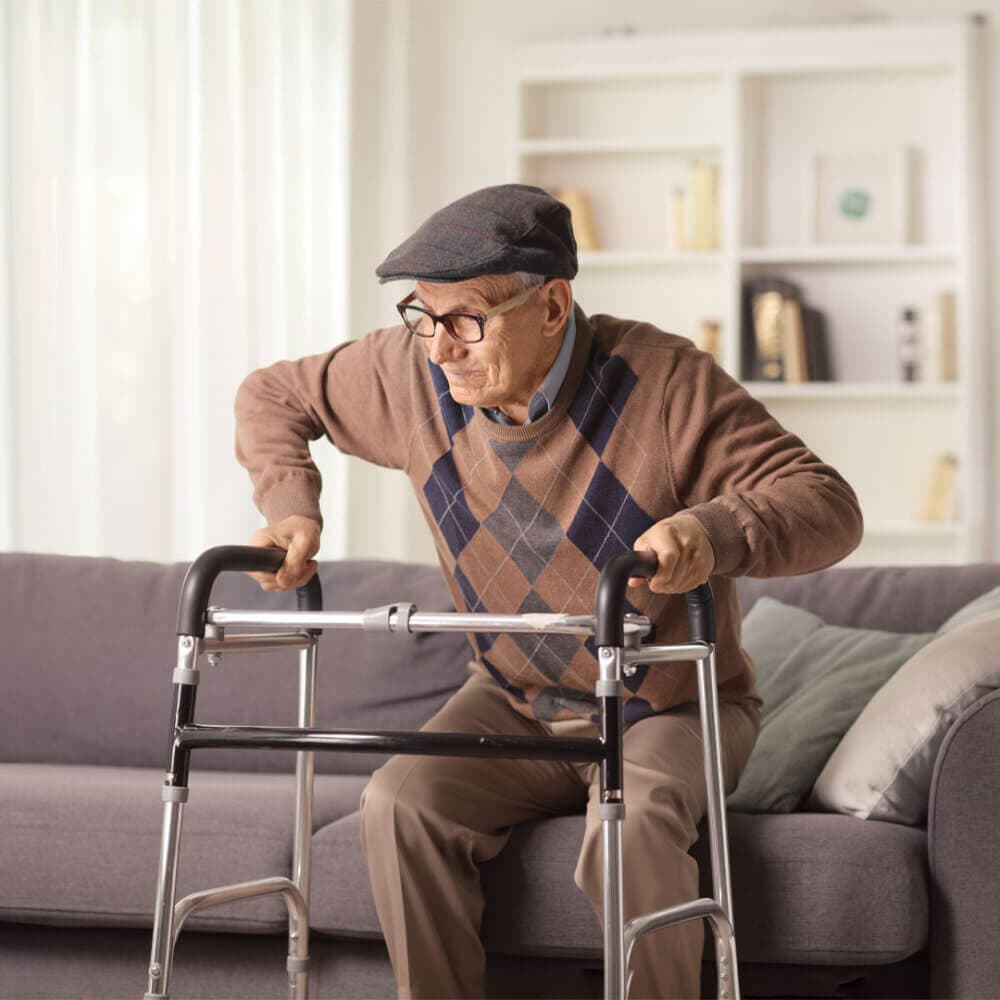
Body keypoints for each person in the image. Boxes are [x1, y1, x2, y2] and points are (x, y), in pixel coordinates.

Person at [235, 183, 863, 999]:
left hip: (663, 705)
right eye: (420, 316)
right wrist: (290, 509)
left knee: (628, 829)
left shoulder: (663, 383)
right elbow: (272, 394)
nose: (438, 347)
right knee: (398, 805)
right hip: (513, 700)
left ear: (553, 305)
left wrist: (711, 532)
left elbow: (827, 504)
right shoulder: (413, 376)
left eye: (464, 320)